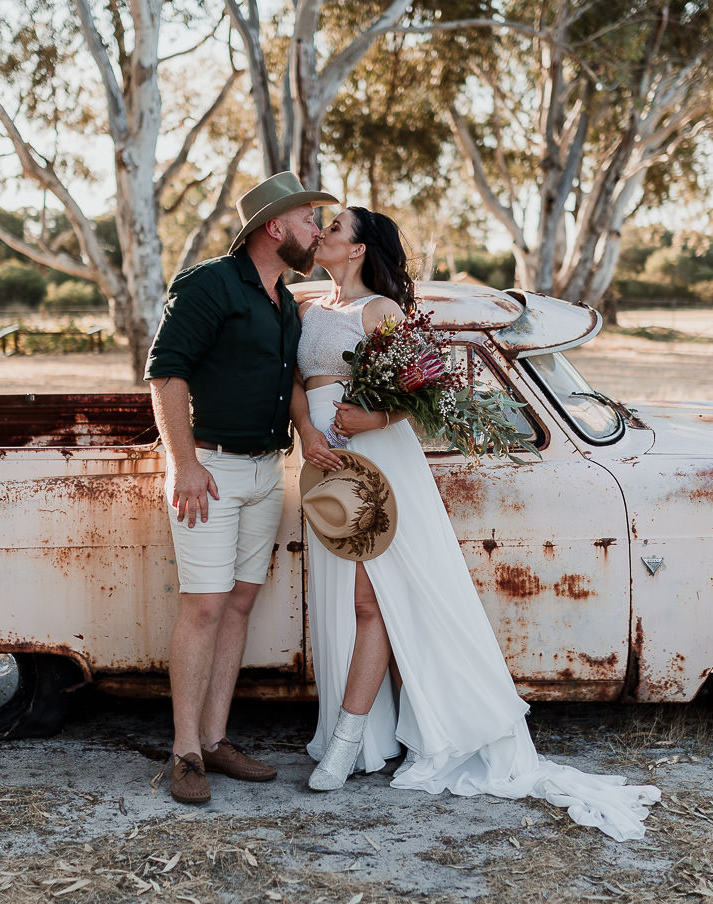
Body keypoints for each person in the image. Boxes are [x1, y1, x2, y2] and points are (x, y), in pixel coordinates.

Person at [291, 206, 661, 841]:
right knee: (338, 594)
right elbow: (295, 383)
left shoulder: (380, 311)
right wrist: (310, 432)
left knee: (370, 599)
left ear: (356, 250)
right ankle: (354, 732)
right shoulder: (308, 310)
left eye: (333, 229)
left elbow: (417, 401)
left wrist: (366, 423)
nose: (321, 233)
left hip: (377, 457)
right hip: (324, 459)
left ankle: (348, 744)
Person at [144, 171, 343, 805]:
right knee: (202, 607)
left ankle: (215, 739)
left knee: (237, 606)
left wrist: (306, 431)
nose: (318, 231)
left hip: (266, 473)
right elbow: (166, 371)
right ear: (274, 227)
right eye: (311, 220)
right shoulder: (211, 284)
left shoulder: (285, 301)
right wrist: (183, 463)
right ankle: (183, 756)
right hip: (212, 472)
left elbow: (286, 383)